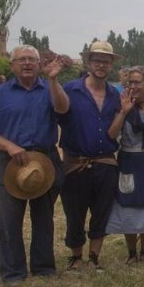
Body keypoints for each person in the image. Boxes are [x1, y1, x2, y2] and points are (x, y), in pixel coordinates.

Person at [0, 45, 68, 284]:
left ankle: (43, 267)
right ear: (12, 65)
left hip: (45, 158)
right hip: (12, 159)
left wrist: (53, 80)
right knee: (9, 219)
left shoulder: (50, 89)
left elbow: (63, 108)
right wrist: (8, 146)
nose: (26, 63)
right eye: (21, 59)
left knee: (44, 217)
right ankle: (13, 272)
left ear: (38, 64)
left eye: (31, 60)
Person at [59, 40, 124, 271]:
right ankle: (76, 256)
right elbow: (58, 112)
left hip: (105, 161)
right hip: (76, 162)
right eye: (97, 60)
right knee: (74, 213)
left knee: (101, 211)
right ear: (88, 62)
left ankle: (94, 257)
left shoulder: (115, 95)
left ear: (111, 66)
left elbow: (115, 129)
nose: (101, 65)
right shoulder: (70, 89)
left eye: (106, 62)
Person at [104, 66, 144, 264]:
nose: (133, 86)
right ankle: (131, 252)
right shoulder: (122, 104)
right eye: (130, 82)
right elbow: (112, 135)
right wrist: (123, 112)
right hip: (128, 159)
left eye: (137, 82)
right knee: (127, 200)